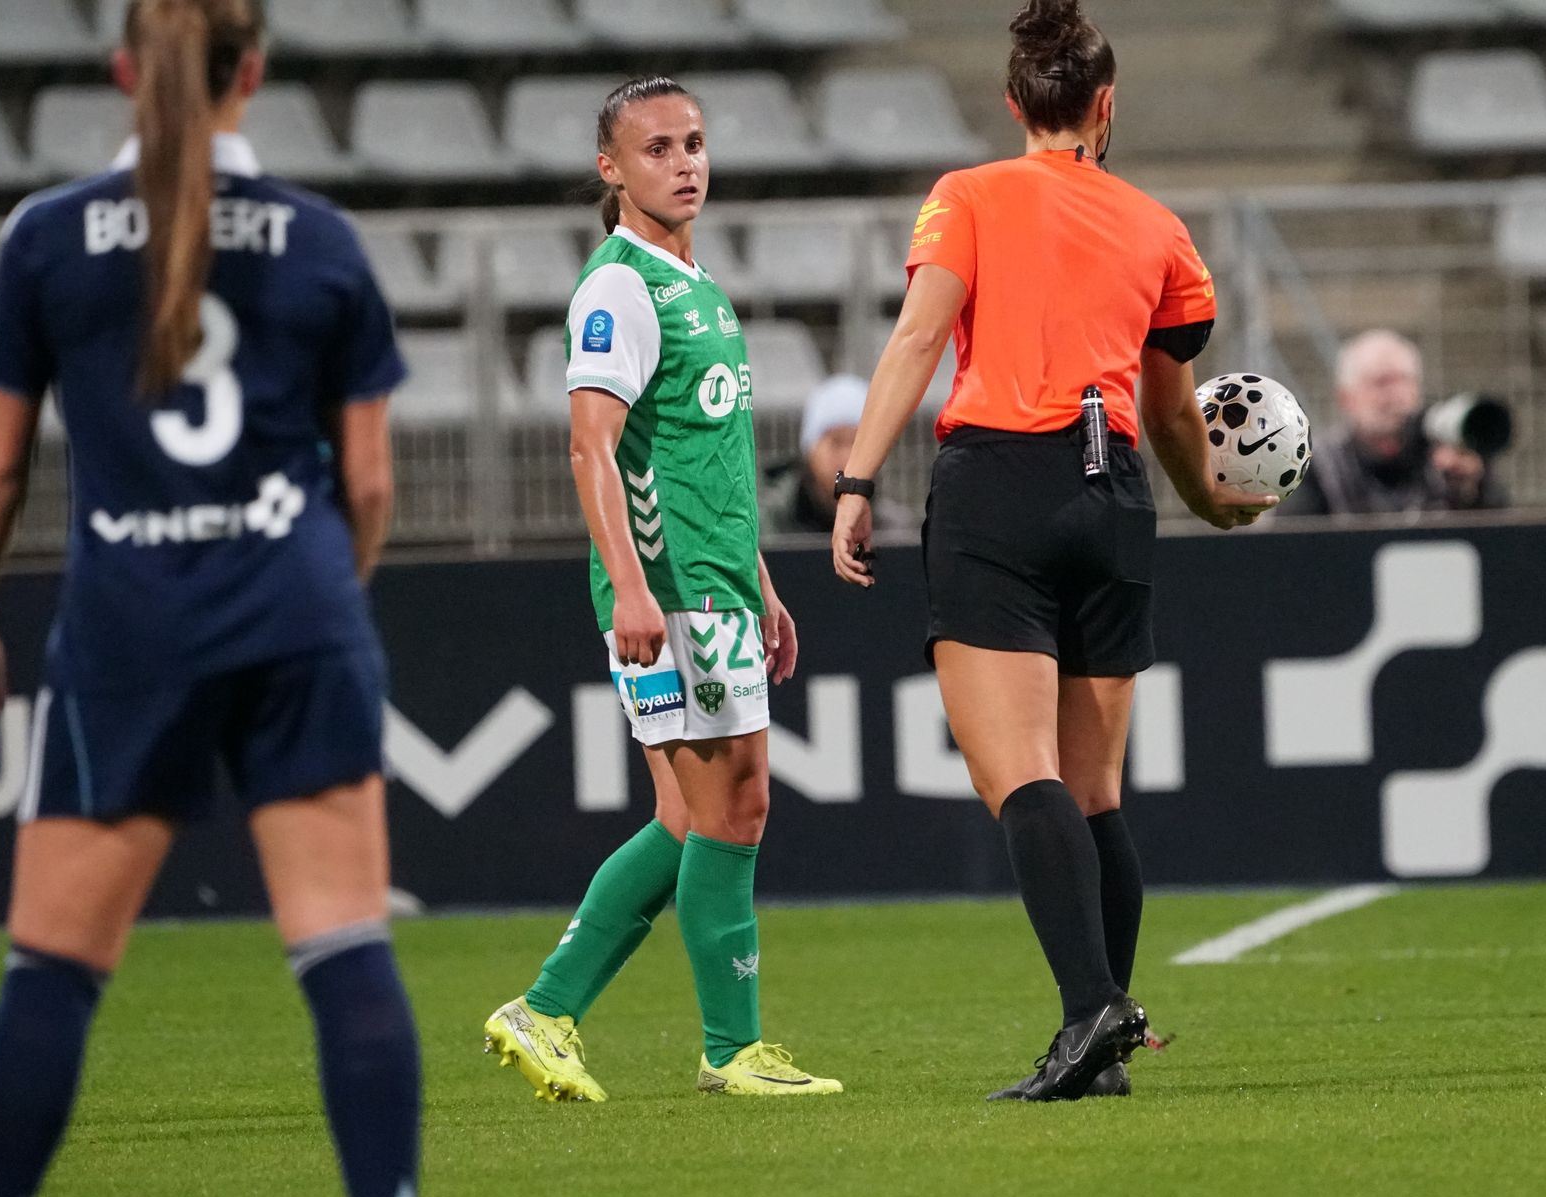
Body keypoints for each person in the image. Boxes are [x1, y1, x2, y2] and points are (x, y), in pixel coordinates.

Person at [0, 1, 436, 1197]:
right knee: (344, 947)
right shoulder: (322, 240)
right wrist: (325, 601)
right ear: (254, 73)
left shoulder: (48, 237)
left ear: (124, 71)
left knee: (53, 971)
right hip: (298, 616)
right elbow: (371, 481)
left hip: (128, 631)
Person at [829, 0, 1273, 1102]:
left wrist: (855, 479)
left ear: (1012, 102)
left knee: (1017, 775)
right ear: (1104, 105)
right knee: (1095, 789)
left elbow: (918, 338)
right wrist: (1214, 503)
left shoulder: (967, 196)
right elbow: (1172, 411)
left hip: (1000, 485)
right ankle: (1100, 1049)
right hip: (1113, 494)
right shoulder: (1158, 228)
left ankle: (1091, 1013)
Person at [481, 76, 841, 1103]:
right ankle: (732, 1048)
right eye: (656, 149)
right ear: (610, 168)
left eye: (693, 143)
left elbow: (705, 457)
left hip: (715, 583)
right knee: (738, 803)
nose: (683, 164)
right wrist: (633, 590)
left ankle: (545, 1009)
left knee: (688, 819)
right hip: (670, 594)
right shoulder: (619, 289)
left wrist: (761, 581)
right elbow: (589, 448)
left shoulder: (697, 284)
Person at [1278, 329, 1510, 517]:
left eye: (1405, 380)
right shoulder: (1317, 464)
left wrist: (1472, 489)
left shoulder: (1448, 452)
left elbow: (1502, 534)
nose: (1396, 395)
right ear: (1347, 398)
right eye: (1382, 382)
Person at [759, 374, 917, 537]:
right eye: (836, 442)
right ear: (811, 449)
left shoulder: (896, 532)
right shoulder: (765, 527)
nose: (846, 456)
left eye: (857, 444)